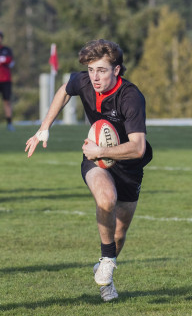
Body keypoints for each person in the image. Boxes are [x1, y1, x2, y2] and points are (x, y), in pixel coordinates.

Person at [25, 39, 153, 302]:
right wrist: (45, 127)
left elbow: (138, 148)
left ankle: (106, 265)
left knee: (119, 232)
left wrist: (102, 151)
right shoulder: (84, 81)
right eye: (91, 69)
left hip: (129, 165)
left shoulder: (131, 97)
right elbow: (63, 90)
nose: (94, 77)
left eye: (102, 70)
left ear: (116, 70)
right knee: (106, 198)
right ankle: (107, 265)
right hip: (95, 158)